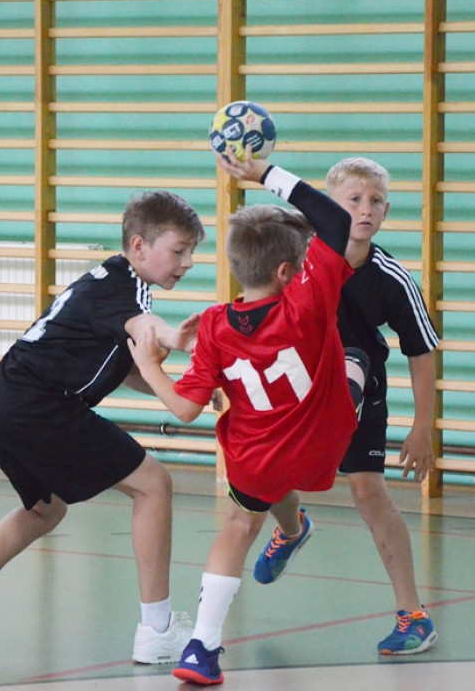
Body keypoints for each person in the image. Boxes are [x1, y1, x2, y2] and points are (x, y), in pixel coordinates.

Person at [129, 151, 368, 685]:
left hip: (256, 453)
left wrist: (149, 365)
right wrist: (267, 176)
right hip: (325, 439)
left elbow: (187, 409)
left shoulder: (213, 324)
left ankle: (202, 650)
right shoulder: (306, 300)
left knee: (238, 524)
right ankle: (293, 527)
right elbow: (338, 223)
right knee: (356, 361)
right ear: (288, 270)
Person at [0, 189, 206, 664]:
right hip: (42, 406)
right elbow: (151, 331)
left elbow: (125, 368)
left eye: (192, 252)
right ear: (140, 245)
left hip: (0, 404)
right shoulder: (126, 288)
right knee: (154, 486)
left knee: (46, 509)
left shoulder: (104, 283)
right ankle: (157, 628)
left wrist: (190, 387)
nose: (187, 262)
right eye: (179, 250)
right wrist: (177, 339)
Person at [326, 156, 440, 655]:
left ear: (387, 212)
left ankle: (412, 615)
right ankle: (292, 528)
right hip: (300, 385)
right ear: (329, 206)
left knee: (368, 494)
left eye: (374, 202)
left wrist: (422, 427)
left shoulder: (391, 277)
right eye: (353, 200)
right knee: (266, 480)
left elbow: (422, 351)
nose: (364, 210)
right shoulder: (301, 260)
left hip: (361, 392)